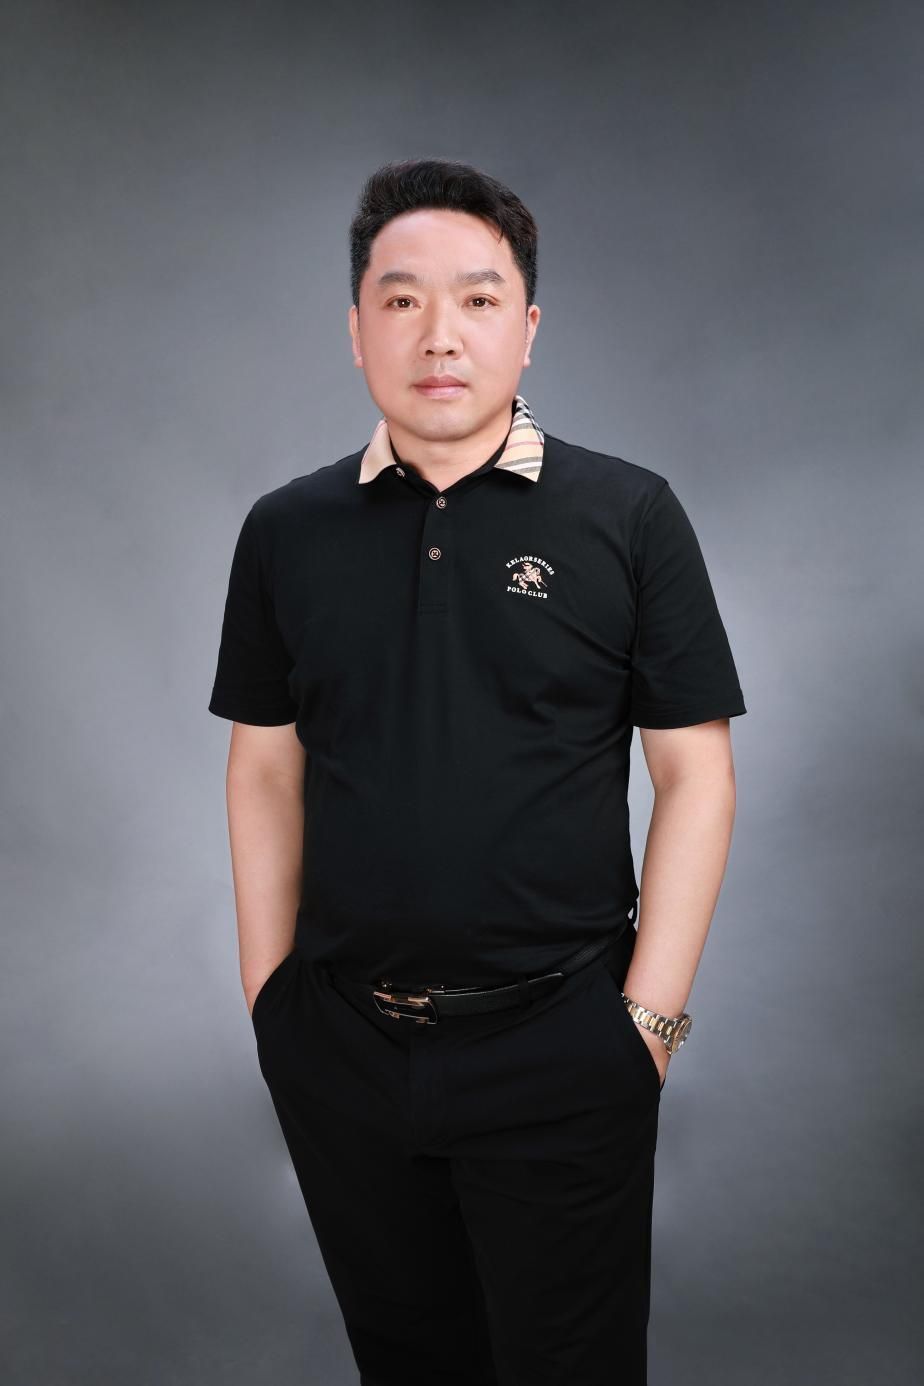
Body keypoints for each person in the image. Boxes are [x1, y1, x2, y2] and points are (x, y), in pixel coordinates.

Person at [207, 157, 747, 1386]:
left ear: (528, 326)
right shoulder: (287, 531)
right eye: (401, 300)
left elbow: (696, 778)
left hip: (564, 1043)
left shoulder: (629, 517)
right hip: (342, 1046)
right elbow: (264, 772)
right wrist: (271, 1001)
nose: (438, 335)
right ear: (357, 330)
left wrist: (647, 1027)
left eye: (478, 299)